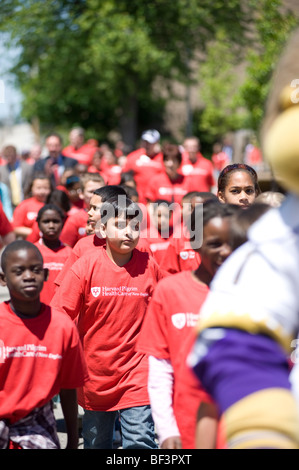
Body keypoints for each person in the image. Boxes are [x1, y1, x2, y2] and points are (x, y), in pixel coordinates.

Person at [188, 79, 299, 448]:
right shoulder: (265, 240)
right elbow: (233, 341)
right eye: (235, 191)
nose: (243, 197)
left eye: (248, 190)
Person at [51, 196, 165, 449]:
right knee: (95, 442)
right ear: (102, 229)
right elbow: (59, 316)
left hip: (138, 371)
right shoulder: (85, 266)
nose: (129, 232)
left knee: (140, 440)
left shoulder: (149, 266)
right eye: (121, 225)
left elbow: (168, 304)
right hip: (95, 375)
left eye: (135, 226)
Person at [137, 200, 240, 449]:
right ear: (196, 244)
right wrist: (166, 429)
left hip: (243, 426)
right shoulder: (170, 292)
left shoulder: (253, 291)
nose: (225, 251)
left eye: (233, 244)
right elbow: (161, 368)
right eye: (215, 243)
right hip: (185, 427)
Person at [0, 240, 88, 449]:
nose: (29, 276)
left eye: (35, 270)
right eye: (19, 271)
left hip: (38, 424)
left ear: (46, 276)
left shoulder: (62, 327)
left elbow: (68, 389)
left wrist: (73, 442)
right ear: (3, 279)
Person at [159, 191, 217, 274]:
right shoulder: (179, 239)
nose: (193, 213)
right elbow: (167, 272)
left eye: (199, 209)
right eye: (191, 208)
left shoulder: (226, 236)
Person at [34, 204, 72, 304]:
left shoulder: (71, 254)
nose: (51, 226)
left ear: (63, 223)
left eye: (55, 221)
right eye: (46, 222)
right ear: (38, 224)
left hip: (63, 313)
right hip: (37, 312)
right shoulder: (32, 252)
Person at [60, 173, 105, 247]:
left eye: (100, 191)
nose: (96, 195)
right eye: (91, 191)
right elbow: (66, 247)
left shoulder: (111, 216)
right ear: (81, 194)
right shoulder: (75, 219)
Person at [121, 129, 164, 204]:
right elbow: (125, 174)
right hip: (137, 199)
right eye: (144, 141)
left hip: (156, 200)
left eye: (150, 142)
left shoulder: (163, 158)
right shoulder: (133, 156)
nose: (146, 145)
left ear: (157, 143)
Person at [12, 174, 52, 240]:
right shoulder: (24, 205)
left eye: (45, 188)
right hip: (30, 245)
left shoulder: (53, 205)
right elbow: (15, 228)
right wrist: (37, 233)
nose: (42, 191)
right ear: (31, 188)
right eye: (38, 188)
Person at [0, 145, 33, 210]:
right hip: (9, 205)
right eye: (7, 156)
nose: (9, 159)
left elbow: (30, 184)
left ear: (16, 155)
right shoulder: (2, 170)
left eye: (11, 156)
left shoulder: (27, 167)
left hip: (24, 202)